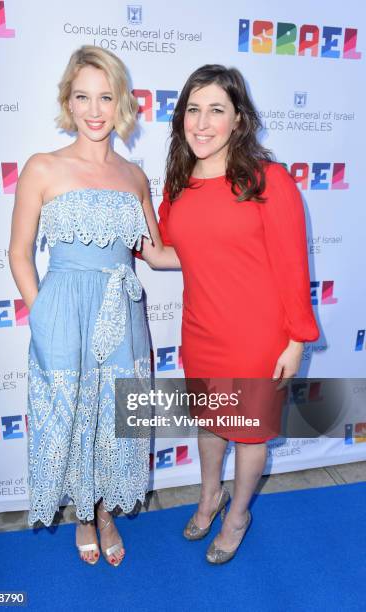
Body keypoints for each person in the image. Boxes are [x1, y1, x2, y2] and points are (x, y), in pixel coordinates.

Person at [9, 45, 179, 567]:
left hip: (122, 315)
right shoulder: (42, 167)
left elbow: (155, 254)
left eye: (105, 96)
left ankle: (105, 513)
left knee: (116, 417)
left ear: (122, 102)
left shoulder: (133, 177)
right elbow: (18, 254)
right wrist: (42, 316)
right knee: (76, 416)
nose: (94, 109)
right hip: (64, 314)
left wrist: (231, 243)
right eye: (82, 96)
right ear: (68, 101)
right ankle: (84, 515)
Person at [157, 64, 319, 564]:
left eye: (216, 111)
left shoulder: (268, 180)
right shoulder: (178, 184)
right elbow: (169, 253)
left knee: (248, 433)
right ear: (181, 117)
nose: (202, 123)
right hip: (201, 328)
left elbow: (293, 265)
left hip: (258, 336)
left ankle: (238, 514)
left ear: (239, 120)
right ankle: (210, 496)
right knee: (210, 424)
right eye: (193, 109)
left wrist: (295, 340)